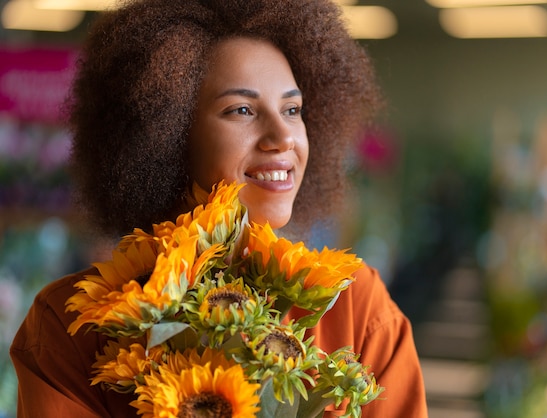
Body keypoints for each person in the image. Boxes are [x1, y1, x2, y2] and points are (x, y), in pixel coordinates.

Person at [10, 0, 429, 416]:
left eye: (293, 109)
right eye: (242, 110)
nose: (283, 136)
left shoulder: (357, 309)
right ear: (165, 137)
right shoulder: (69, 329)